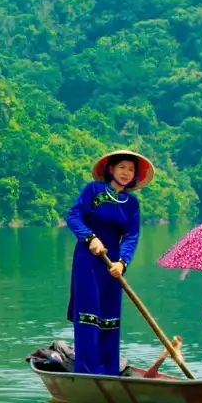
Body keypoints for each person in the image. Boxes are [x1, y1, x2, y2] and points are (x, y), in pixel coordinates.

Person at [62, 151, 152, 376]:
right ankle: (86, 372)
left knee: (109, 316)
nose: (126, 173)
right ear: (111, 169)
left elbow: (131, 236)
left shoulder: (131, 204)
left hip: (112, 264)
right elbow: (73, 216)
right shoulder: (93, 190)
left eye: (131, 170)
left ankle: (108, 372)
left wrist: (122, 263)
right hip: (88, 258)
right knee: (89, 312)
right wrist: (90, 238)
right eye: (122, 167)